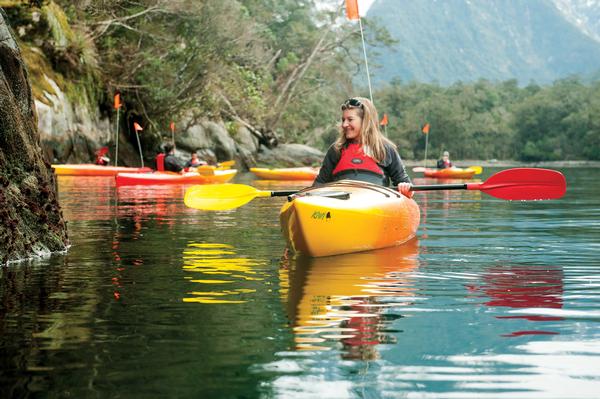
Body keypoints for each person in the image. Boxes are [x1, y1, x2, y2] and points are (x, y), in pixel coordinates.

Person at [313, 97, 412, 198]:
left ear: (365, 121)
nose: (344, 124)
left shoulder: (385, 149)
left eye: (350, 119)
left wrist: (405, 188)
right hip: (340, 204)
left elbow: (404, 182)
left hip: (376, 204)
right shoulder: (336, 150)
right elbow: (319, 184)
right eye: (343, 120)